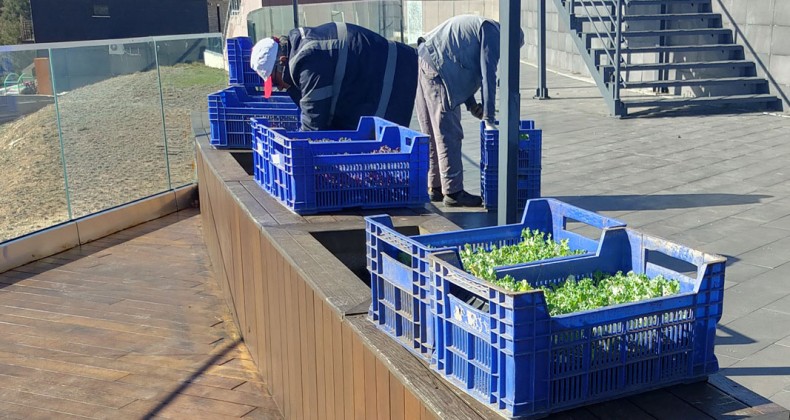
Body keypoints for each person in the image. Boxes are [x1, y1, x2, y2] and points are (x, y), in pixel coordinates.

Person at [415, 15, 522, 207]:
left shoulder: (483, 27)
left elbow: (461, 65)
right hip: (437, 67)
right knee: (448, 131)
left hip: (424, 59)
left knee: (431, 132)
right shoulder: (494, 34)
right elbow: (487, 74)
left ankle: (436, 187)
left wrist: (472, 105)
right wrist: (489, 119)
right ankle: (454, 192)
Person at [250, 23, 418, 131]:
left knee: (387, 144)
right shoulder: (302, 48)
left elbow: (313, 123)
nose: (279, 87)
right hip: (376, 78)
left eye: (275, 81)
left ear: (282, 61)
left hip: (399, 76)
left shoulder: (308, 61)